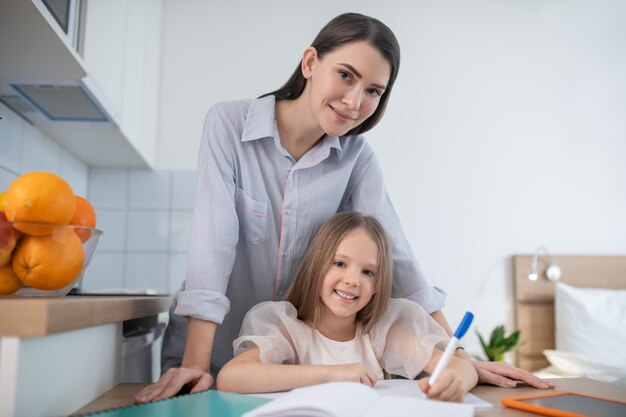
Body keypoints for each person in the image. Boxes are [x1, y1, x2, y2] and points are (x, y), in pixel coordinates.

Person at [135, 12, 552, 404]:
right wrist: (196, 363)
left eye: (373, 90)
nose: (355, 101)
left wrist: (453, 355)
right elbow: (213, 242)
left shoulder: (356, 157)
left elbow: (397, 256)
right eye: (346, 76)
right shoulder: (228, 124)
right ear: (310, 62)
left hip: (296, 367)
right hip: (210, 352)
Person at [217, 212, 478, 402]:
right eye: (340, 263)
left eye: (368, 272)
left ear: (377, 286)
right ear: (316, 266)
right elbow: (231, 377)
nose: (353, 280)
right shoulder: (287, 329)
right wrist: (332, 374)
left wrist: (455, 381)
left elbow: (461, 367)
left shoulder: (381, 331)